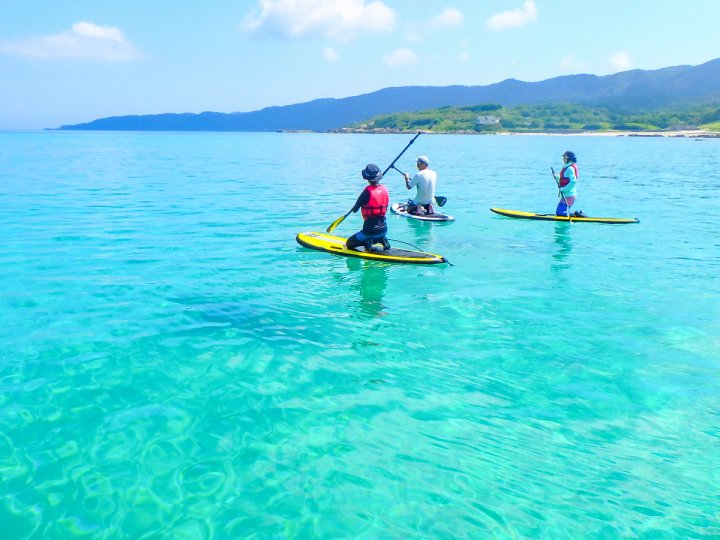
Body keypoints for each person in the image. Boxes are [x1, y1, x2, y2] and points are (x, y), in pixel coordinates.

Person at [345, 164, 391, 251]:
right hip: (384, 230)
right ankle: (382, 239)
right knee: (377, 232)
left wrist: (356, 206)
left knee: (349, 244)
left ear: (367, 178)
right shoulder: (384, 189)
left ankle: (368, 241)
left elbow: (355, 210)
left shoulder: (367, 192)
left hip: (370, 231)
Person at [556, 150, 585, 217]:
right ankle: (577, 214)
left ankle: (576, 214)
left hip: (569, 195)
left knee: (559, 212)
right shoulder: (567, 167)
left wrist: (563, 189)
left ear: (569, 159)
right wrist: (556, 176)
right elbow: (564, 178)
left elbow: (573, 181)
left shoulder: (570, 169)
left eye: (564, 158)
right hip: (567, 194)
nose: (563, 159)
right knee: (560, 212)